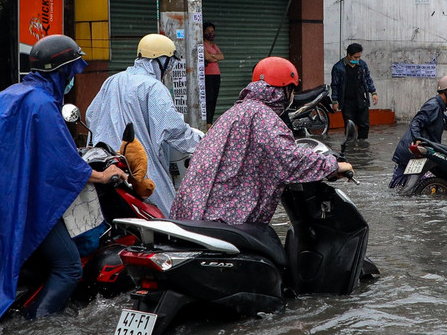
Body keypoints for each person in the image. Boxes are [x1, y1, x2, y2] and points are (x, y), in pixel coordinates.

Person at [0, 35, 128, 334]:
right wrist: (102, 175)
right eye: (71, 72)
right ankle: (35, 329)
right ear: (61, 72)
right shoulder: (42, 105)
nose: (72, 79)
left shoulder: (7, 95)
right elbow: (62, 165)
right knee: (69, 267)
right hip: (22, 202)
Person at [170, 56, 353, 230]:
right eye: (292, 90)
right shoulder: (262, 117)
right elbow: (288, 160)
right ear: (283, 90)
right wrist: (333, 166)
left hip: (196, 208)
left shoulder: (239, 110)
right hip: (219, 215)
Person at [86, 33, 205, 215]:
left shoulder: (112, 80)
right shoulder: (154, 87)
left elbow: (91, 115)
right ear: (161, 61)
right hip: (139, 169)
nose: (170, 69)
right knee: (166, 220)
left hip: (106, 163)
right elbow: (173, 130)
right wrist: (204, 143)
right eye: (169, 63)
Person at [330, 43, 378, 139]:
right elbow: (335, 85)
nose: (357, 59)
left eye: (359, 57)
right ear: (348, 55)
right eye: (355, 57)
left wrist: (373, 92)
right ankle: (350, 148)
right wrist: (335, 101)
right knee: (349, 126)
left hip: (361, 99)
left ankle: (362, 146)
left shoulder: (362, 64)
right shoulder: (338, 67)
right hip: (347, 101)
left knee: (364, 125)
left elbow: (368, 79)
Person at [202, 21, 224, 124]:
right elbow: (207, 57)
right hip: (207, 75)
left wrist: (213, 57)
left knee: (214, 99)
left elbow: (222, 57)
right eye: (208, 31)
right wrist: (214, 57)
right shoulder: (202, 44)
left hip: (216, 75)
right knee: (208, 99)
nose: (211, 33)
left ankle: (210, 122)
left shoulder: (213, 45)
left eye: (212, 31)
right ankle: (207, 122)